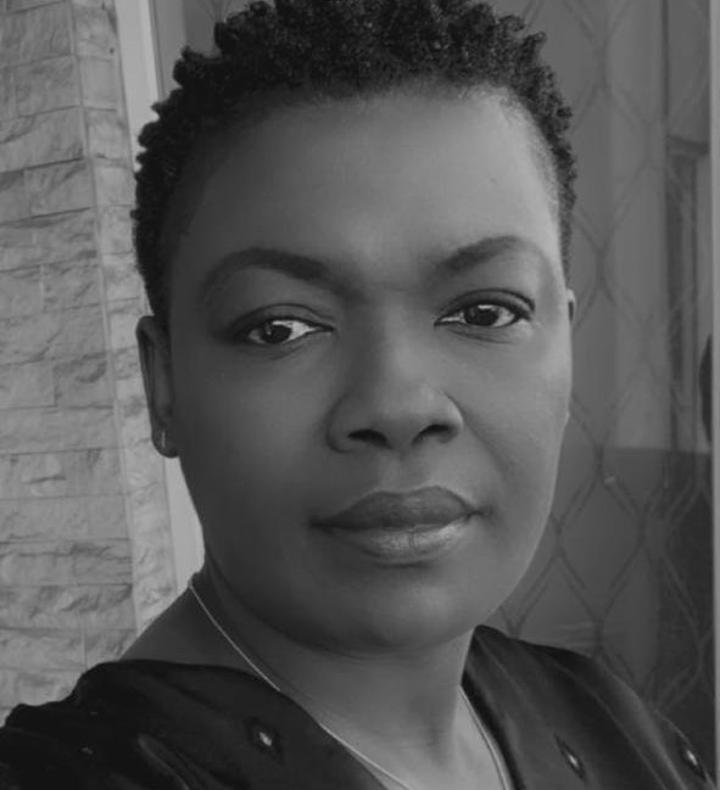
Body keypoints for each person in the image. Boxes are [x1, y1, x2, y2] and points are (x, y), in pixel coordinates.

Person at [0, 1, 713, 788]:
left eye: (485, 313)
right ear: (162, 383)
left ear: (565, 348)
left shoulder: (602, 714)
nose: (399, 406)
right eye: (280, 328)